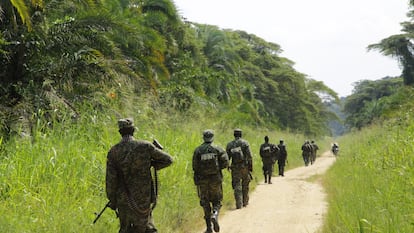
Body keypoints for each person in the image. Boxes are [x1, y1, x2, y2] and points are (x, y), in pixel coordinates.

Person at [106, 118, 173, 233]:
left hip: (124, 199)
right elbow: (168, 160)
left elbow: (111, 180)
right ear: (133, 130)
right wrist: (151, 164)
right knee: (146, 228)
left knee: (125, 229)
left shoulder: (113, 151)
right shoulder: (145, 146)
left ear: (120, 132)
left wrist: (112, 200)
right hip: (143, 198)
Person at [193, 129, 229, 233]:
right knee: (217, 200)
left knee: (205, 202)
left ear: (203, 137)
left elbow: (195, 166)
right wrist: (218, 169)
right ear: (212, 137)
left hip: (203, 180)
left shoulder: (198, 150)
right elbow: (225, 162)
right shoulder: (218, 149)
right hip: (215, 179)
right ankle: (215, 214)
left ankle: (209, 228)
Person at [226, 128, 253, 209]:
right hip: (244, 167)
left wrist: (228, 166)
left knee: (237, 184)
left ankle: (239, 203)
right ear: (241, 134)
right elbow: (249, 156)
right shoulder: (245, 143)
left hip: (235, 168)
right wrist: (250, 167)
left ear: (234, 135)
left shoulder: (230, 144)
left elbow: (227, 157)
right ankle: (245, 202)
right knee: (245, 184)